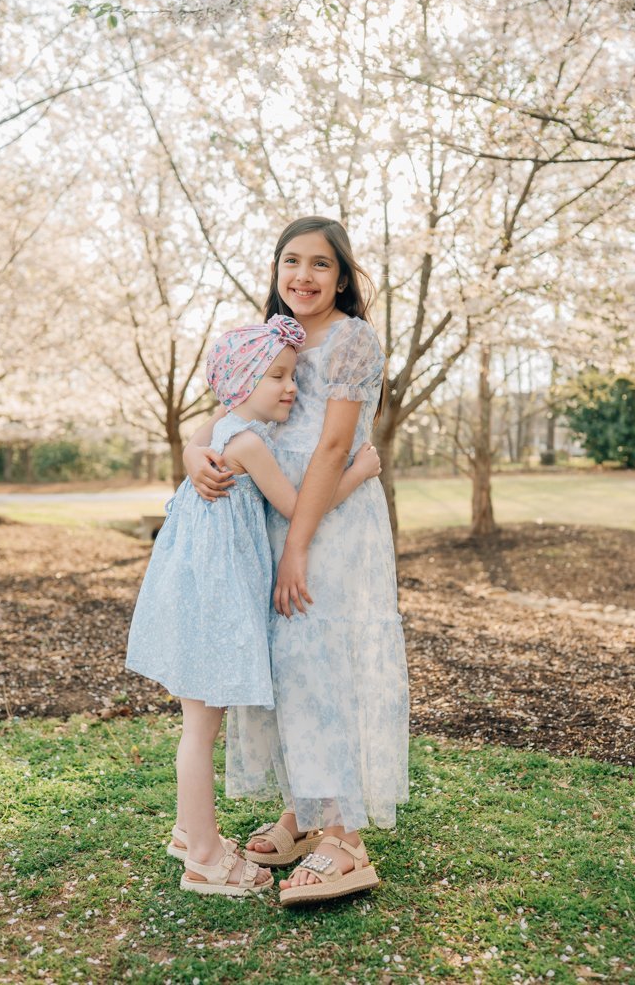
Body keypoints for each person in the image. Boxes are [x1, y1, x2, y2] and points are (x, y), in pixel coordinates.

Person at [183, 217, 410, 906]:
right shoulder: (274, 336)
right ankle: (305, 811)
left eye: (319, 264)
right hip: (267, 520)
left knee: (322, 665)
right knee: (284, 669)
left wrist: (299, 546)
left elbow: (335, 446)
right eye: (291, 261)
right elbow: (224, 409)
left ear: (341, 277)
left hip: (327, 524)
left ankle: (344, 838)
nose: (302, 276)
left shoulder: (352, 339)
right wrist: (194, 453)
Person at [126, 313, 381, 898]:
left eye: (292, 375)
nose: (292, 387)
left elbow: (201, 443)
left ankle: (190, 835)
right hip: (216, 606)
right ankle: (206, 858)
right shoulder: (248, 443)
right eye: (278, 377)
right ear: (242, 385)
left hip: (190, 593)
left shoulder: (223, 432)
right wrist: (359, 472)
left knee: (196, 729)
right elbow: (298, 507)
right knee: (200, 732)